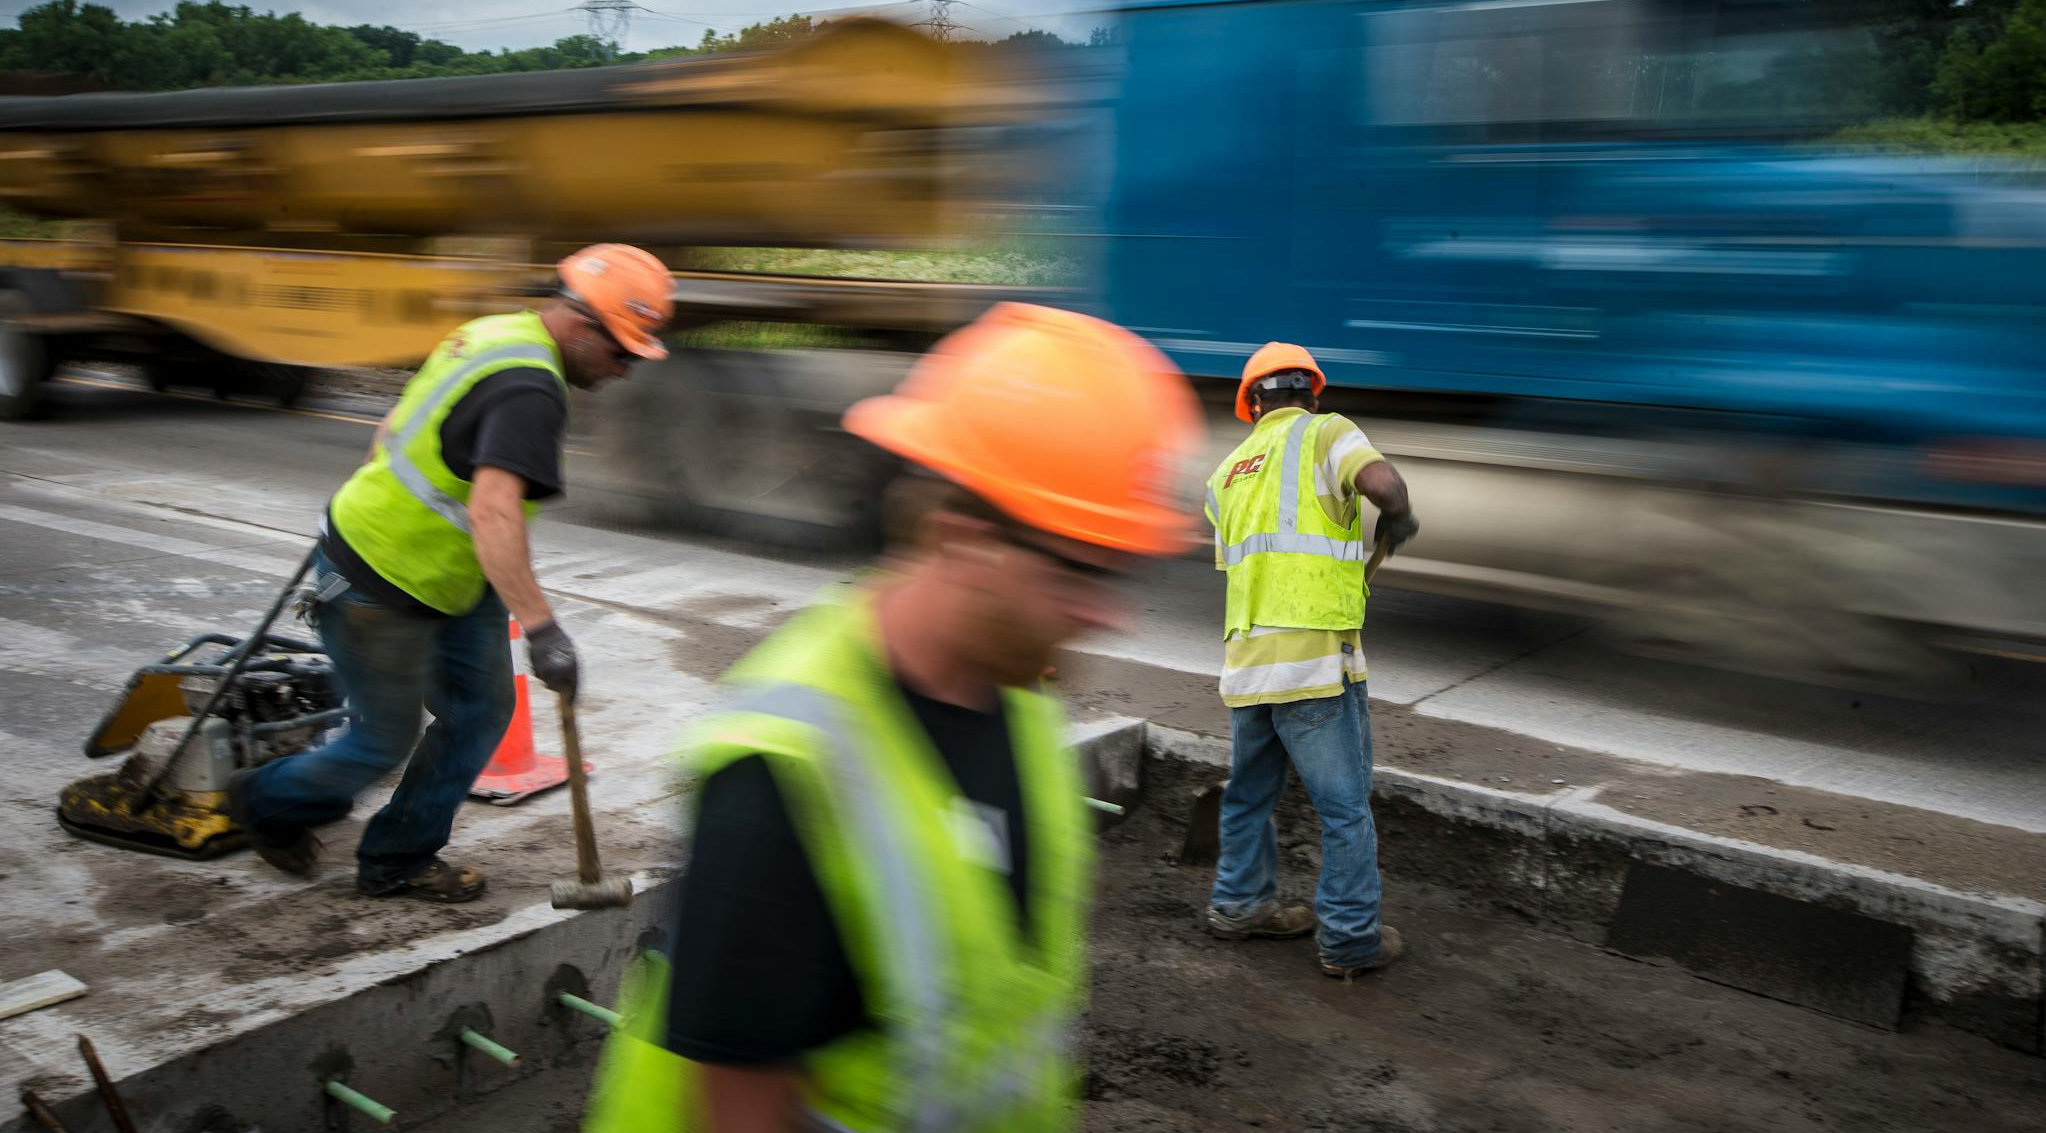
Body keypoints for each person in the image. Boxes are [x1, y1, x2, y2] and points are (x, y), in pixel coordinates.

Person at [583, 302, 1204, 1133]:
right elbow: (737, 1114)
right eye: (1077, 572)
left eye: (1116, 574)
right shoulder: (785, 773)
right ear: (963, 537)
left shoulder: (1013, 698)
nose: (1108, 614)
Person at [229, 244, 674, 901]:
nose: (627, 370)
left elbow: (392, 428)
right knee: (381, 741)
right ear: (582, 324)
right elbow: (496, 513)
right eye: (623, 352)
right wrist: (543, 629)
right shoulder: (529, 391)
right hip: (379, 580)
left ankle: (398, 855)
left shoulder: (496, 332)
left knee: (482, 711)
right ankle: (264, 802)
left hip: (448, 576)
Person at [1201, 341, 1417, 978]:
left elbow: (1243, 563)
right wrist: (1398, 516)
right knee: (1345, 809)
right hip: (1314, 661)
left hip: (1248, 664)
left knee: (1248, 795)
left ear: (1252, 405)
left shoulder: (1226, 472)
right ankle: (1350, 939)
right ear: (1311, 393)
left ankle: (1239, 905)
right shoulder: (1327, 433)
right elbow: (1384, 483)